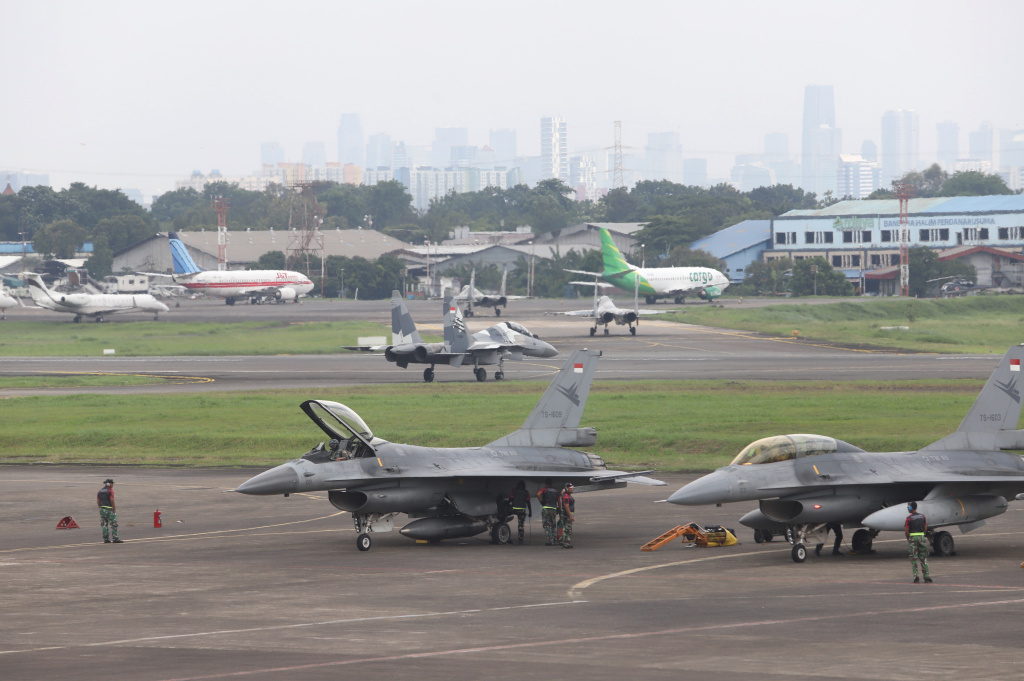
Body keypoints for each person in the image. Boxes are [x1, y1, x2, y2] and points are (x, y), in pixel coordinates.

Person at [905, 501, 932, 583]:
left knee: (914, 558)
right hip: (921, 537)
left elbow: (906, 531)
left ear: (911, 508)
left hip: (913, 537)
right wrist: (922, 535)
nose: (908, 509)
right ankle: (926, 577)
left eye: (908, 507)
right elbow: (925, 528)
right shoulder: (922, 516)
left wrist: (909, 538)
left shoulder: (909, 518)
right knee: (923, 557)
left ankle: (916, 577)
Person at [97, 478, 122, 544]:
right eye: (112, 483)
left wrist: (101, 508)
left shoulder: (100, 491)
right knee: (114, 524)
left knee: (104, 525)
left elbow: (98, 501)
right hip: (109, 509)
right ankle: (115, 538)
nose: (113, 484)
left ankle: (106, 539)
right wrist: (114, 508)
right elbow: (112, 500)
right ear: (109, 484)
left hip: (102, 509)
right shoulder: (110, 491)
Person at [508, 480, 532, 545]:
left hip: (514, 509)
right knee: (521, 525)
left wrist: (507, 504)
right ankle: (520, 540)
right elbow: (528, 502)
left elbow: (511, 499)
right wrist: (530, 512)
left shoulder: (513, 491)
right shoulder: (526, 492)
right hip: (522, 510)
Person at [537, 478, 559, 546]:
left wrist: (542, 501)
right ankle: (555, 540)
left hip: (546, 508)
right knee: (553, 525)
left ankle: (550, 540)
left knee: (547, 525)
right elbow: (559, 500)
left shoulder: (544, 489)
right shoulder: (556, 490)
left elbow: (538, 494)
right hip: (553, 508)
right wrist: (559, 508)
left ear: (546, 484)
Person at [559, 483, 575, 548]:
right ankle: (566, 543)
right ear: (566, 489)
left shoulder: (566, 495)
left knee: (566, 528)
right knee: (568, 529)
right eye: (570, 488)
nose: (572, 489)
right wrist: (570, 516)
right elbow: (566, 506)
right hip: (567, 514)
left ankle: (562, 541)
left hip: (566, 514)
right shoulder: (566, 496)